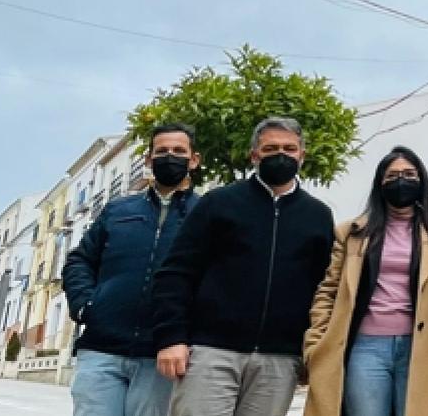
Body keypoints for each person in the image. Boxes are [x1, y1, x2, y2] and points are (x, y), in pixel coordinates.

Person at [151, 116, 335, 416]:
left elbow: (322, 289)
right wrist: (171, 338)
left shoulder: (318, 216)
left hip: (279, 359)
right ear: (254, 155)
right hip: (211, 353)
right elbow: (176, 273)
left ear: (302, 154)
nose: (281, 155)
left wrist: (309, 352)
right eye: (271, 148)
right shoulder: (218, 203)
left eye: (289, 148)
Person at [304, 146, 428, 416]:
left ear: (422, 181)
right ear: (380, 183)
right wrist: (315, 342)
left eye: (408, 174)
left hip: (423, 348)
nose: (400, 181)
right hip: (365, 347)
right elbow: (328, 290)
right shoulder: (352, 233)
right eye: (392, 176)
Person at [63, 124, 202, 416]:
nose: (170, 157)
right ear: (149, 160)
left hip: (162, 356)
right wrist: (85, 305)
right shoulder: (118, 210)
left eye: (179, 151)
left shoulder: (207, 214)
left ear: (194, 160)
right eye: (162, 151)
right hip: (102, 349)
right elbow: (80, 260)